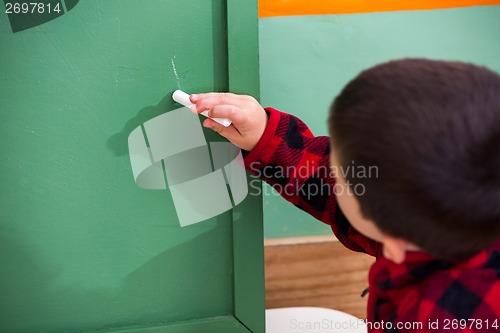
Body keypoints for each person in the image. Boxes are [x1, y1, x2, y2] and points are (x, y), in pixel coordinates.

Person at [190, 59, 500, 332]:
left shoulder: (445, 317)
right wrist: (264, 135)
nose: (331, 167)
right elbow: (322, 179)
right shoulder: (434, 217)